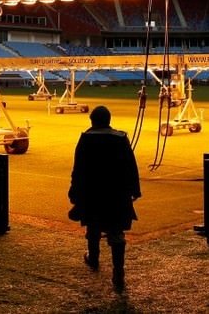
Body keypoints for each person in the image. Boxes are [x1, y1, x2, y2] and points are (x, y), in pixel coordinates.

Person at [68, 105, 141, 292]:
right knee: (117, 233)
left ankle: (93, 257)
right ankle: (118, 271)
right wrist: (135, 190)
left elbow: (78, 170)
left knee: (93, 225)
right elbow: (131, 167)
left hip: (93, 193)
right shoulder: (121, 138)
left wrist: (74, 193)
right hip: (117, 194)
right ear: (109, 120)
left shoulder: (85, 139)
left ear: (92, 121)